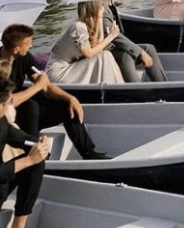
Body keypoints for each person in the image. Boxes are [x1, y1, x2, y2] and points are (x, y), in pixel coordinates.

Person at [1, 24, 108, 160]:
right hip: (6, 117)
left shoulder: (24, 57)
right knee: (31, 105)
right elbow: (5, 102)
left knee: (65, 105)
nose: (31, 46)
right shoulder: (1, 68)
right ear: (16, 49)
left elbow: (45, 86)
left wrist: (69, 98)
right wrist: (38, 86)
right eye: (28, 43)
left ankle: (89, 153)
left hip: (20, 113)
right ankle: (34, 152)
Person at [0, 78, 52, 228]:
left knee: (36, 163)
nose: (10, 105)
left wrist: (40, 145)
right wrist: (29, 159)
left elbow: (19, 138)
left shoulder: (2, 122)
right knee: (31, 161)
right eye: (8, 102)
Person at [45, 1, 124, 86]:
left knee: (105, 54)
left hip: (70, 67)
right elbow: (89, 53)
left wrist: (100, 19)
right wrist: (111, 36)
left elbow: (99, 49)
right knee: (105, 55)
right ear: (94, 9)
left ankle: (119, 86)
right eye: (101, 6)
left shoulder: (87, 26)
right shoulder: (78, 27)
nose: (103, 8)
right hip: (58, 72)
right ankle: (118, 87)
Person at [97, 2, 167, 82]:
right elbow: (112, 36)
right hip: (108, 48)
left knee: (148, 48)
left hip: (115, 45)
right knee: (126, 54)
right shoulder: (101, 9)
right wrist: (139, 51)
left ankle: (162, 84)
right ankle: (137, 89)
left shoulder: (110, 6)